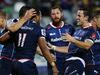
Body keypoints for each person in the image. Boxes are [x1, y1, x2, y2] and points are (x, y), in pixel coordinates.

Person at [11, 6, 58, 75]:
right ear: (36, 16)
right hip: (27, 64)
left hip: (14, 64)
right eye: (40, 16)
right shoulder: (38, 28)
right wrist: (53, 65)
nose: (40, 19)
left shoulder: (17, 26)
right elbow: (44, 48)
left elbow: (27, 45)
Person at [0, 8, 36, 75]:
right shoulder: (12, 22)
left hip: (18, 61)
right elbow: (2, 40)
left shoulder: (29, 27)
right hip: (6, 58)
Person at [62, 9, 96, 75]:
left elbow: (87, 46)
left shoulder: (91, 30)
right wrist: (53, 47)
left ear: (86, 18)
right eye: (76, 15)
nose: (76, 18)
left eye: (79, 16)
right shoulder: (77, 31)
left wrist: (72, 40)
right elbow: (68, 49)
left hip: (86, 66)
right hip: (74, 63)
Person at [44, 5, 75, 75]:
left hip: (69, 62)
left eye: (57, 13)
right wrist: (49, 55)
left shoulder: (70, 28)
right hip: (54, 65)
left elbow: (74, 46)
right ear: (50, 16)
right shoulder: (46, 30)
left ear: (62, 14)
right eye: (53, 14)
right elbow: (42, 47)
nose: (56, 16)